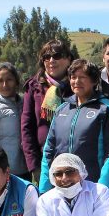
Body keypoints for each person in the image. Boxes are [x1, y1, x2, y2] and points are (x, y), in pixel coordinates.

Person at [38, 59, 109, 193]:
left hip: (91, 186)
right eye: (73, 77)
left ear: (94, 81)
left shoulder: (105, 107)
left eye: (82, 77)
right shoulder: (62, 109)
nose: (77, 81)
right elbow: (49, 149)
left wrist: (103, 187)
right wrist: (44, 186)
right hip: (61, 186)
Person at [21, 40, 75, 175]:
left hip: (75, 158)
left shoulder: (78, 84)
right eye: (46, 57)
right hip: (44, 160)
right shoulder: (34, 86)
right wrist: (34, 165)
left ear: (68, 59)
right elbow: (26, 127)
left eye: (57, 56)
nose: (51, 60)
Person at [0, 62, 29, 180]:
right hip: (5, 172)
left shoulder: (25, 104)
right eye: (0, 80)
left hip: (26, 169)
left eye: (9, 79)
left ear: (16, 81)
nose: (5, 84)